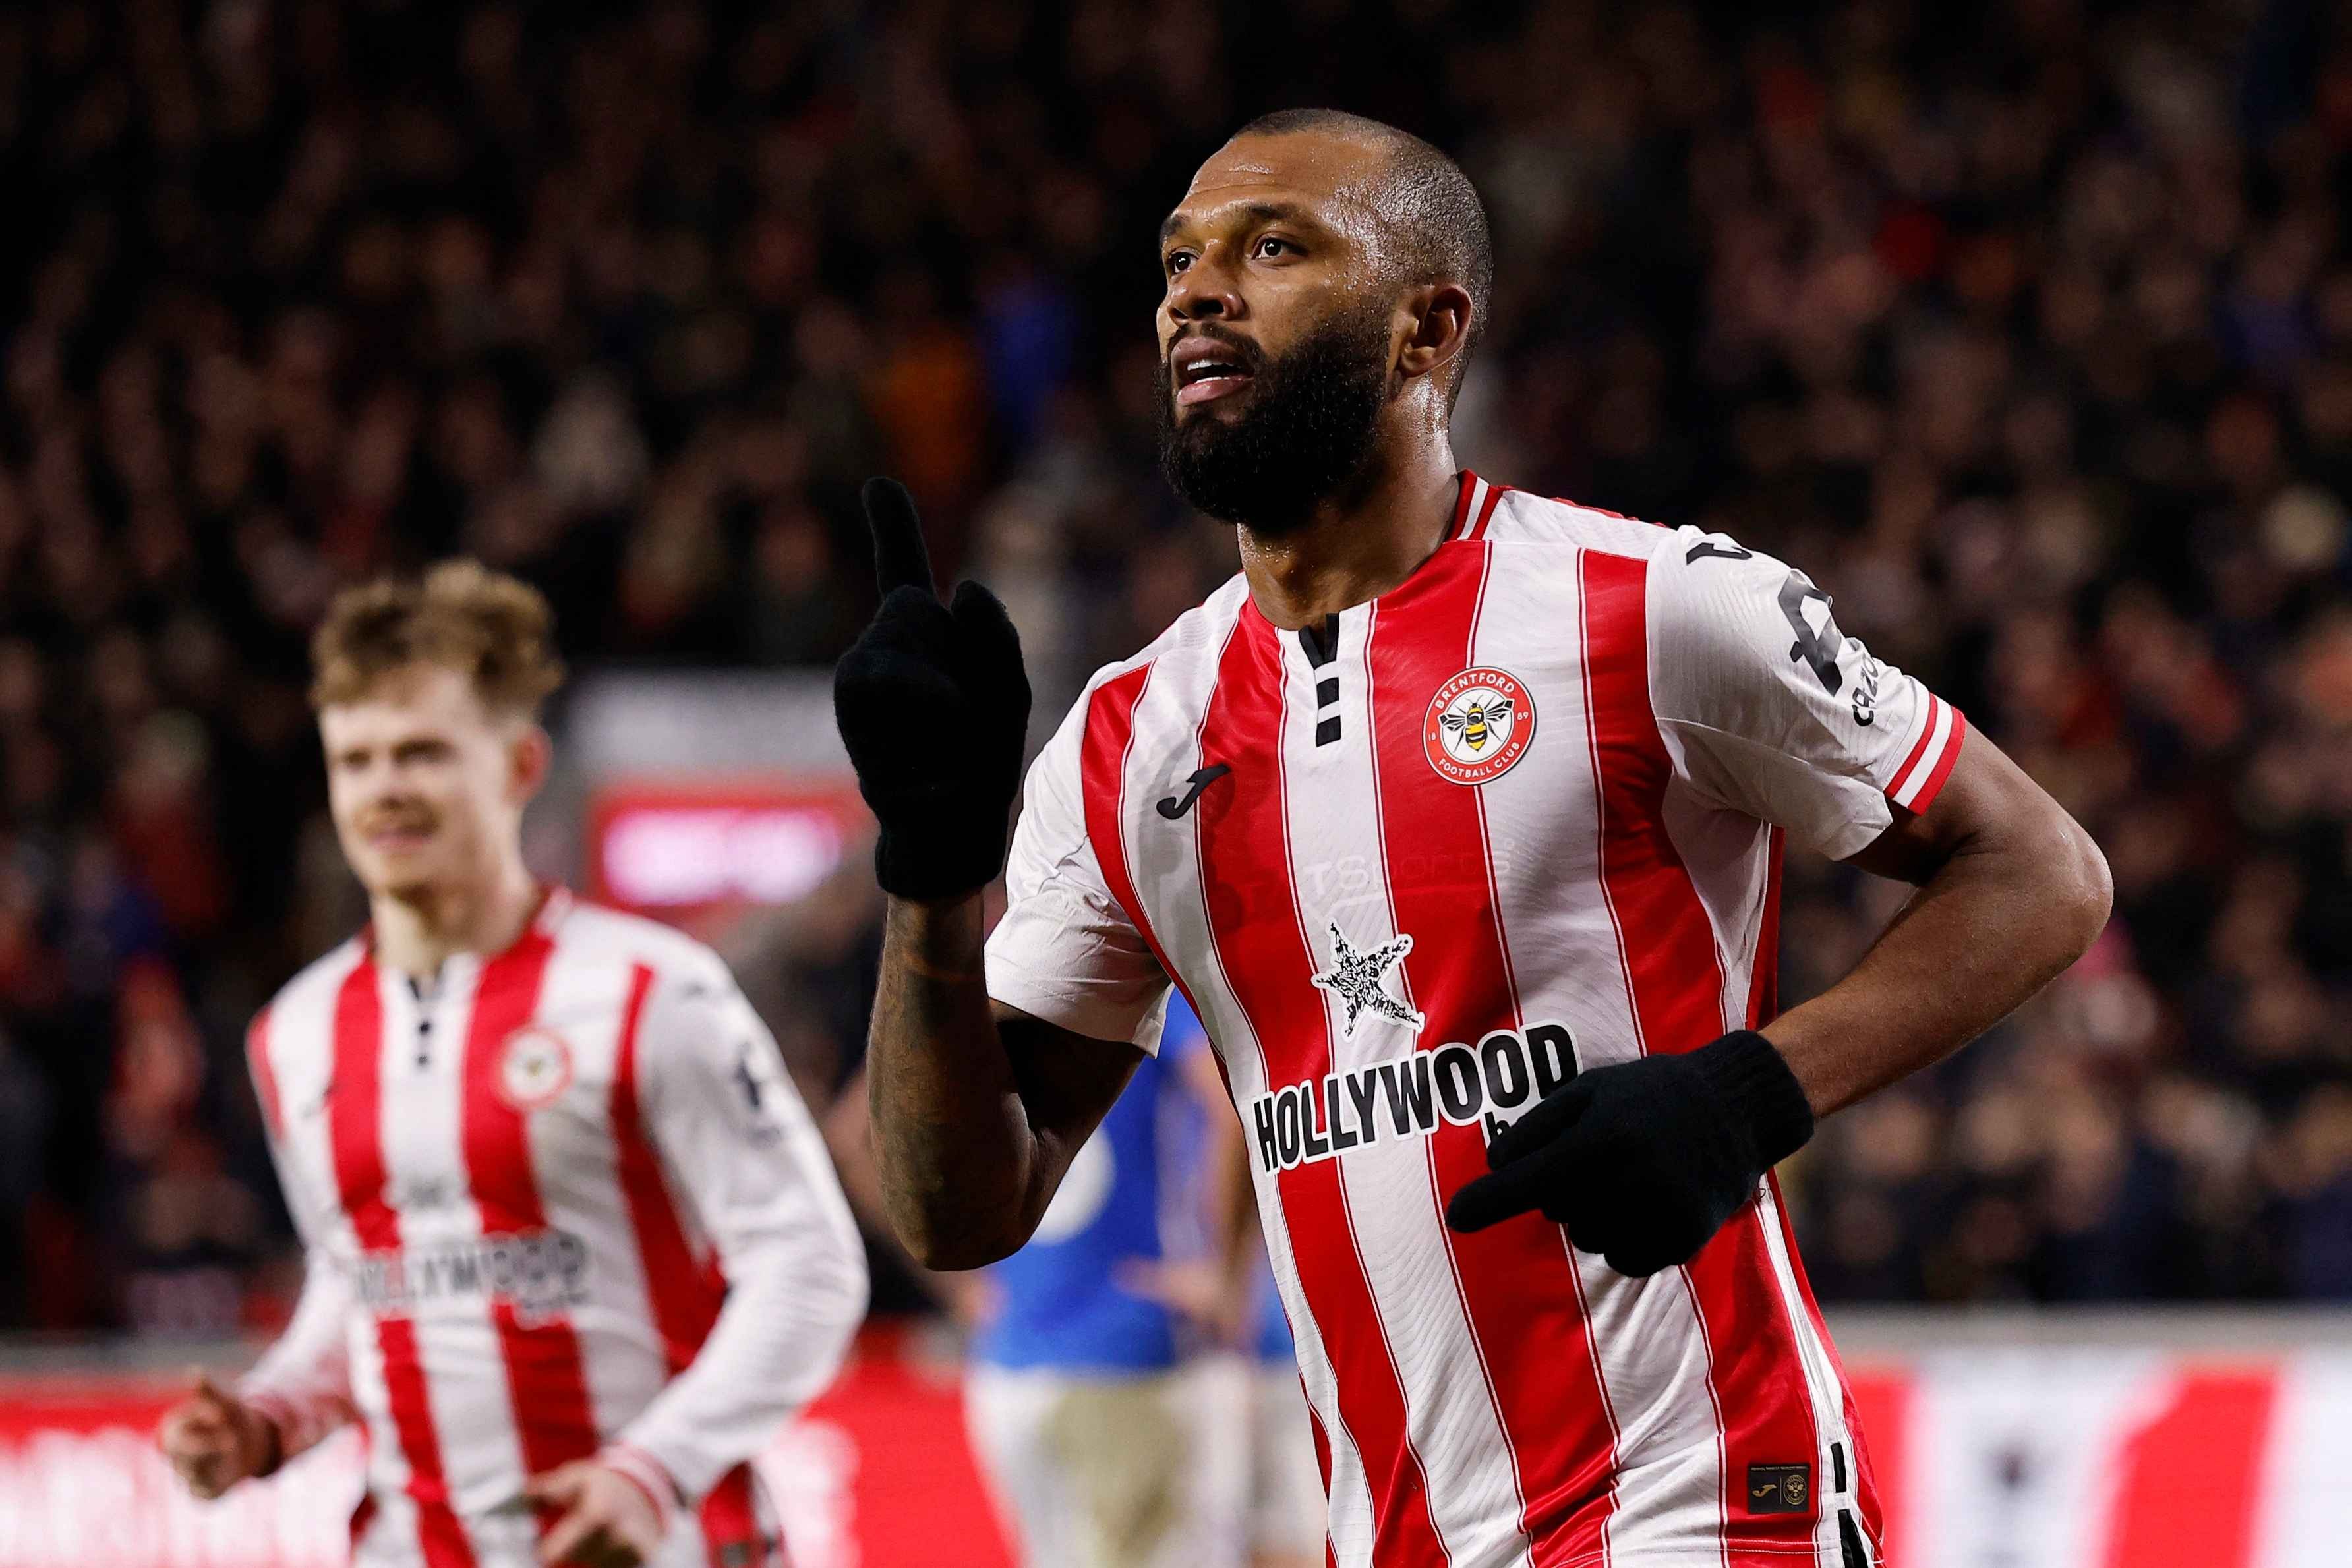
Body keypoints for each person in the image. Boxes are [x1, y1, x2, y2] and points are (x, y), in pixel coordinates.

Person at [831, 107, 2110, 1568]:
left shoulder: (1649, 605)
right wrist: (929, 875)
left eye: (1272, 247)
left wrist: (1745, 1091)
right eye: (1179, 258)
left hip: (1692, 1496)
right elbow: (957, 1205)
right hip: (1391, 1533)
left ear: (1423, 329)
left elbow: (2039, 868)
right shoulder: (1134, 737)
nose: (1195, 289)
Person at [158, 563, 867, 1568]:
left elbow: (809, 1266)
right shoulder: (295, 1033)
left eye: (423, 753)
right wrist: (269, 1415)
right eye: (356, 760)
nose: (386, 788)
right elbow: (360, 1278)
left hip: (658, 1547)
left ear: (520, 767)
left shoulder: (651, 991)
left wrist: (652, 1470)